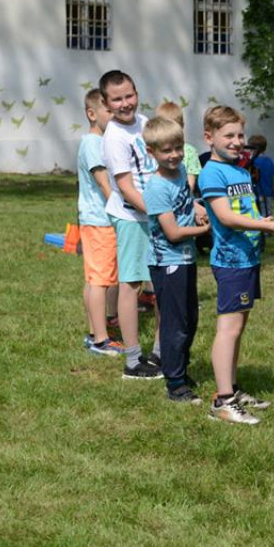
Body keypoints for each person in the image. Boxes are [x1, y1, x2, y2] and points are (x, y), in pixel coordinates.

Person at [198, 105, 274, 424]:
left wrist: (261, 220)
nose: (237, 141)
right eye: (229, 135)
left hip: (248, 258)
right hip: (231, 262)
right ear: (209, 137)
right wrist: (266, 227)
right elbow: (225, 217)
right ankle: (223, 402)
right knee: (229, 329)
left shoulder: (240, 169)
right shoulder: (213, 172)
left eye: (240, 134)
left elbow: (243, 211)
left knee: (239, 328)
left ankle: (232, 389)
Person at [142, 117, 212, 404]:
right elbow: (171, 232)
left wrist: (196, 208)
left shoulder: (181, 171)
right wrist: (205, 230)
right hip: (167, 261)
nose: (174, 155)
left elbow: (183, 202)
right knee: (175, 322)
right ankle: (174, 382)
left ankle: (180, 370)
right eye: (166, 151)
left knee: (190, 318)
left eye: (178, 148)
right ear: (152, 153)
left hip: (184, 258)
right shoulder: (156, 187)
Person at [99, 70, 162, 380]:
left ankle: (162, 352)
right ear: (106, 103)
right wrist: (159, 212)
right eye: (117, 99)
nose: (125, 103)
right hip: (132, 217)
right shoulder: (113, 137)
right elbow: (125, 187)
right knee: (132, 284)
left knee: (164, 280)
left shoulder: (146, 123)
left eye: (129, 95)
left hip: (156, 212)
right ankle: (133, 360)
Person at [77, 89, 123, 356]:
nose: (114, 114)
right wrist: (119, 209)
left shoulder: (97, 141)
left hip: (97, 219)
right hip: (101, 220)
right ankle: (100, 340)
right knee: (100, 280)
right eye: (109, 110)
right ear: (92, 114)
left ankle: (96, 329)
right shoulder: (93, 144)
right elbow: (103, 181)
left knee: (96, 277)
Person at [154, 101, 202, 193]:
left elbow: (191, 181)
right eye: (166, 127)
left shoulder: (189, 151)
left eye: (174, 127)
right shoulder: (154, 151)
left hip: (183, 197)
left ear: (182, 125)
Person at [249, 134, 274, 219]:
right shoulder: (269, 160)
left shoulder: (254, 162)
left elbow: (254, 177)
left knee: (263, 212)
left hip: (260, 192)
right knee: (267, 211)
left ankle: (265, 230)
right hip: (268, 192)